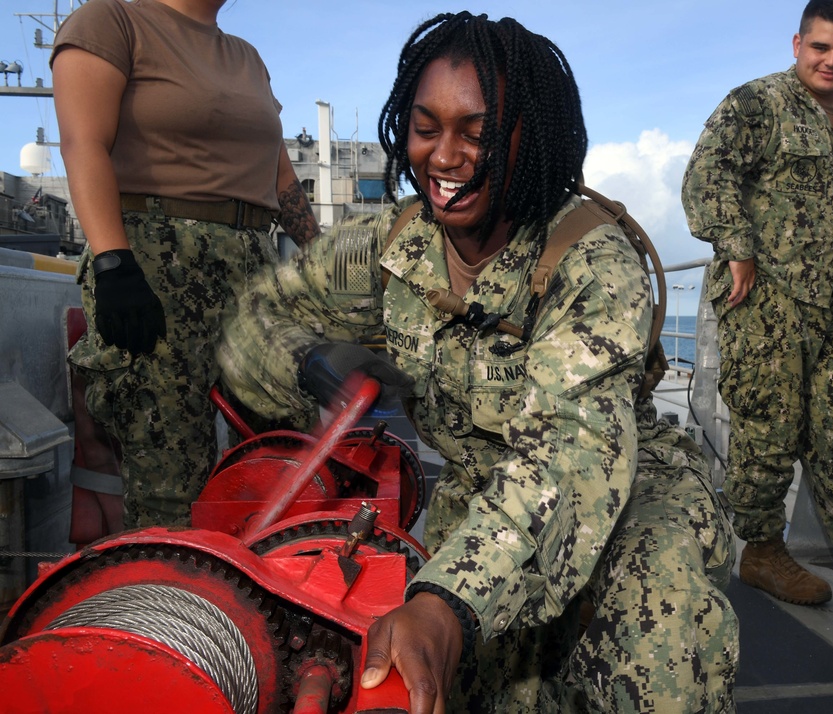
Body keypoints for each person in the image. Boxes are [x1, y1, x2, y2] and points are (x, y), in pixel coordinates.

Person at [219, 12, 738, 713]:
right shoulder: (390, 245)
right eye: (426, 128)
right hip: (478, 499)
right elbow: (255, 318)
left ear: (532, 138)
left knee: (665, 645)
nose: (444, 157)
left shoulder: (592, 260)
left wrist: (447, 602)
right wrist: (311, 362)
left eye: (478, 134)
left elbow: (569, 457)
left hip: (619, 490)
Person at [50, 0, 320, 528]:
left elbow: (282, 178)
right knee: (171, 475)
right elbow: (83, 144)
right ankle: (171, 605)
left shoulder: (247, 57)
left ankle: (273, 599)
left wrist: (324, 258)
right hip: (155, 264)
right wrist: (112, 263)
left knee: (290, 449)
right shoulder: (110, 20)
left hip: (253, 264)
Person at [682, 0, 833, 614]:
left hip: (827, 299)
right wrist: (737, 248)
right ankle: (762, 553)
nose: (832, 61)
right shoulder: (757, 102)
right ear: (797, 42)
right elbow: (707, 175)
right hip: (762, 295)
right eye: (821, 47)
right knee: (768, 428)